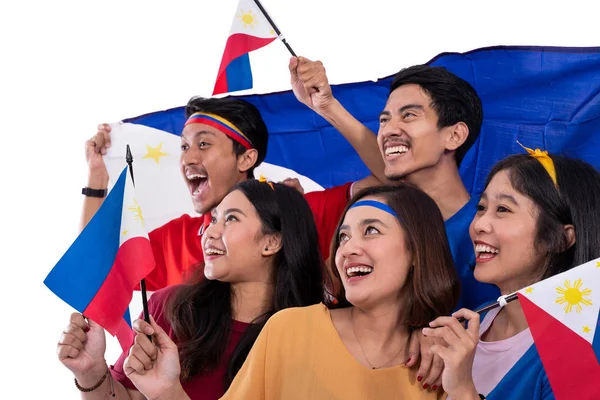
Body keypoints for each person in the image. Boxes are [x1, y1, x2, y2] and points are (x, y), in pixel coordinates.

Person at [122, 183, 460, 399]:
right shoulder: (289, 329)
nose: (348, 248)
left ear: (418, 249)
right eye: (342, 236)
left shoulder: (443, 360)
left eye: (371, 230)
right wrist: (168, 393)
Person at [57, 179, 325, 400]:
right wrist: (90, 372)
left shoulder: (313, 339)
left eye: (231, 219)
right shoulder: (169, 308)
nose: (210, 231)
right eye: (215, 218)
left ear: (272, 242)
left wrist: (169, 394)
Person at [82, 95, 384, 291]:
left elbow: (391, 178)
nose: (187, 158)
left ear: (246, 159)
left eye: (203, 144)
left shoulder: (299, 213)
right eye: (184, 146)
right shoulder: (179, 240)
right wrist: (97, 179)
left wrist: (328, 107)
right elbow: (92, 272)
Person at [424, 149, 600, 399]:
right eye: (482, 207)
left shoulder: (579, 350)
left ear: (562, 238)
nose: (479, 224)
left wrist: (464, 391)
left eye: (503, 210)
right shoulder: (475, 322)